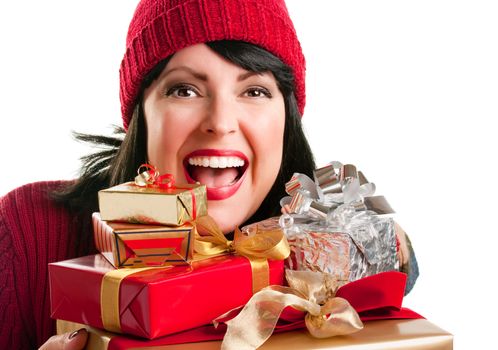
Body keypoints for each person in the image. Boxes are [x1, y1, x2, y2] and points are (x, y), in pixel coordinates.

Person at [0, 0, 418, 349]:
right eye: (184, 89)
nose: (220, 122)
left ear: (286, 121)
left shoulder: (317, 251)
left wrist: (391, 249)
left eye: (254, 91)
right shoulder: (26, 232)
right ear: (139, 117)